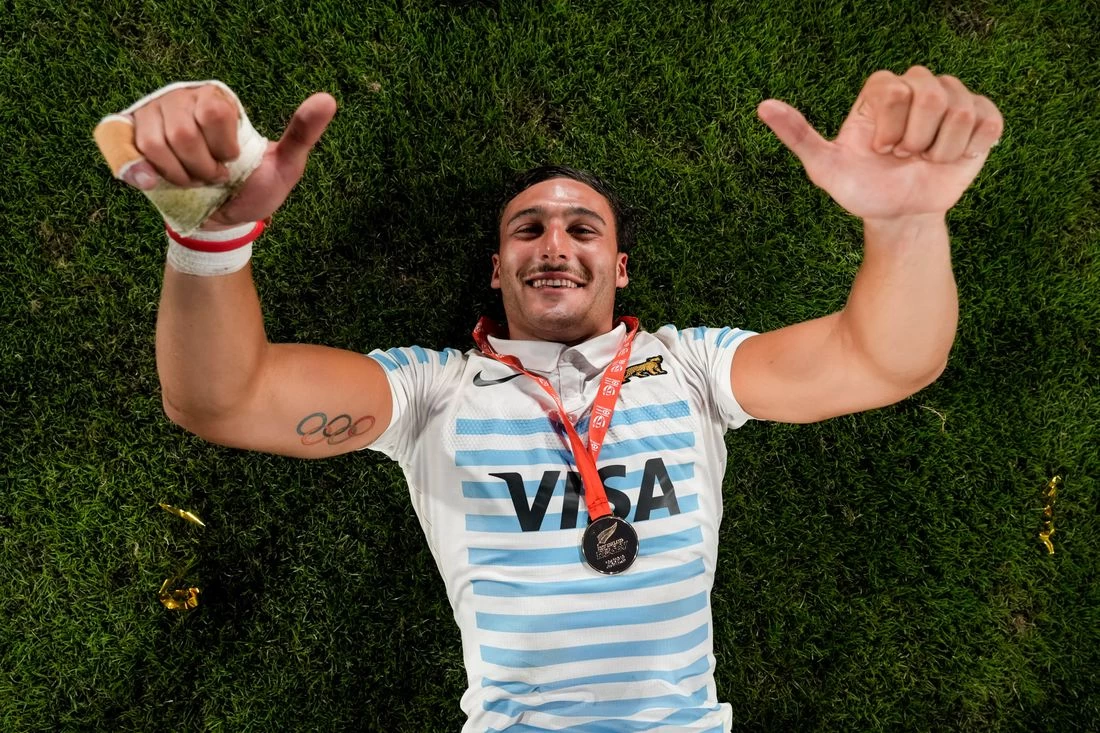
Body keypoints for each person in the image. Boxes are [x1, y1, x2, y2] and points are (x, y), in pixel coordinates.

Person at [100, 65, 1002, 731]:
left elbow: (884, 362)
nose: (555, 244)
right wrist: (211, 244)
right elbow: (223, 400)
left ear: (619, 265)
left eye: (583, 227)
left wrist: (906, 225)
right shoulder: (431, 391)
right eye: (527, 229)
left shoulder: (692, 367)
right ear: (498, 270)